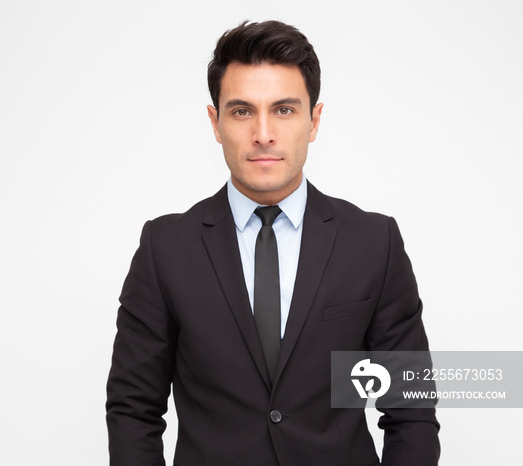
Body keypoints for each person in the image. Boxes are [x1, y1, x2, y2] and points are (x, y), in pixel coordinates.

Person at [106, 20, 439, 466]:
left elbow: (410, 408)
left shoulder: (373, 243)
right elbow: (133, 411)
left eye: (284, 109)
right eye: (242, 111)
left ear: (314, 120)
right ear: (216, 121)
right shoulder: (165, 248)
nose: (263, 133)